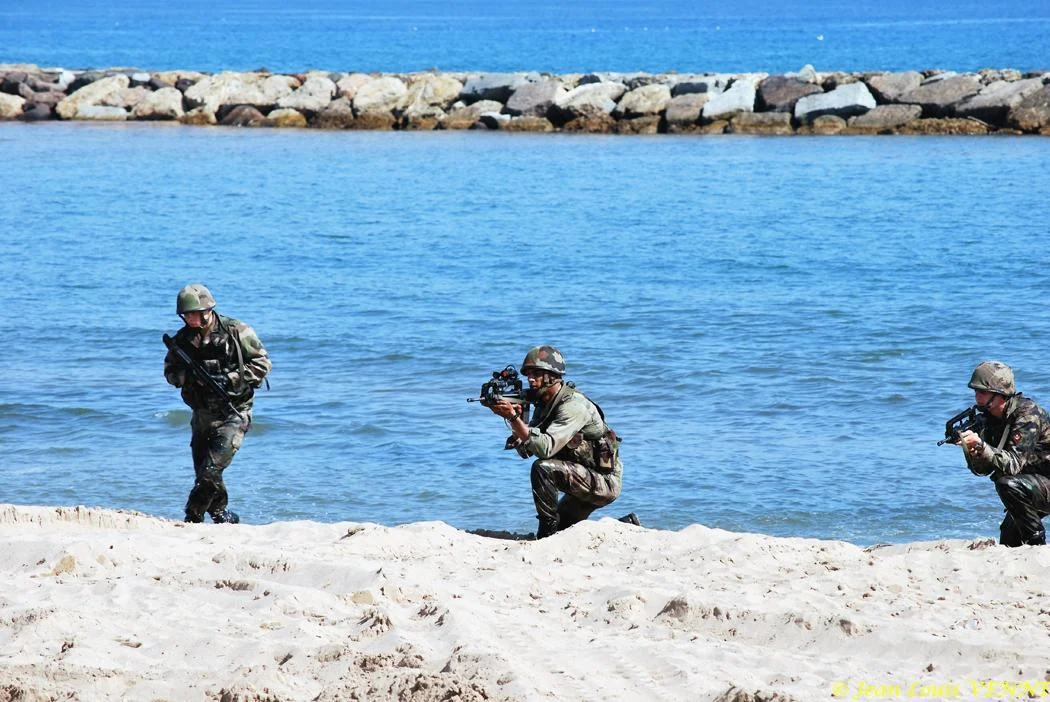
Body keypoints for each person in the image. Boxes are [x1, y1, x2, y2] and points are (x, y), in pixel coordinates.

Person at [488, 345, 633, 539]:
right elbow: (526, 451)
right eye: (529, 374)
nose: (531, 379)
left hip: (603, 481)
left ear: (553, 376)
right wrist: (516, 420)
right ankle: (629, 527)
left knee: (542, 468)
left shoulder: (572, 406)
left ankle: (545, 536)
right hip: (580, 477)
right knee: (563, 532)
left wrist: (514, 419)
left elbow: (545, 449)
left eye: (537, 373)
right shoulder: (545, 405)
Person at [163, 283, 271, 524]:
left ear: (207, 310)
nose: (190, 319)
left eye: (194, 314)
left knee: (211, 470)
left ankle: (192, 515)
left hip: (234, 412)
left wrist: (231, 378)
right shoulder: (181, 341)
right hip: (201, 414)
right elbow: (170, 374)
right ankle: (221, 514)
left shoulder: (236, 330)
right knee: (205, 473)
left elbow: (263, 364)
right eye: (186, 315)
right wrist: (189, 376)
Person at [958, 360, 1050, 546]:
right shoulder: (989, 420)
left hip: (1042, 480)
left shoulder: (1027, 415)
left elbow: (1013, 464)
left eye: (982, 392)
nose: (977, 397)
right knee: (1009, 536)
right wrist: (971, 450)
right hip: (1032, 482)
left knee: (1006, 482)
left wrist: (983, 446)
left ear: (1000, 393)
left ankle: (1037, 545)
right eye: (975, 391)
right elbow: (982, 471)